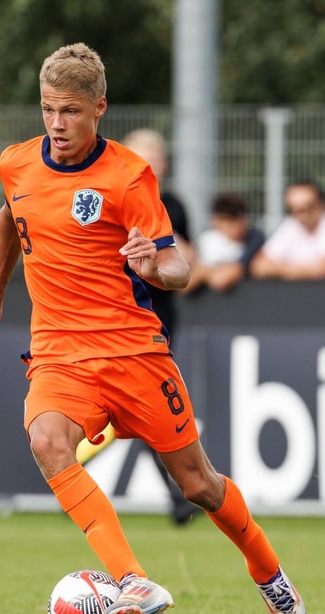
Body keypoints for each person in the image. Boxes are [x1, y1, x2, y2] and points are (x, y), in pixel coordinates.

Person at [0, 42, 307, 614]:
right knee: (46, 439)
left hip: (133, 352)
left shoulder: (129, 175)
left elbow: (179, 268)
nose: (57, 124)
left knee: (198, 485)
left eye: (70, 111)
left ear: (99, 108)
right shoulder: (16, 164)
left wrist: (152, 267)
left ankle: (269, 574)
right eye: (48, 109)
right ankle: (134, 580)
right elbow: (10, 216)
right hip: (60, 352)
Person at [116, 128, 200, 526]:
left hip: (156, 319)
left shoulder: (172, 206)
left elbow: (188, 260)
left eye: (151, 162)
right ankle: (182, 495)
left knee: (146, 406)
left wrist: (167, 253)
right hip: (114, 315)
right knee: (136, 407)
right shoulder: (110, 197)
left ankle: (185, 492)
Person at [250, 180, 325, 280]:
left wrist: (281, 269)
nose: (302, 214)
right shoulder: (290, 226)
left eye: (308, 207)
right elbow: (259, 267)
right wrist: (303, 270)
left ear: (322, 204)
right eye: (295, 209)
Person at [189, 191, 266, 292]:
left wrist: (203, 272)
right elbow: (186, 284)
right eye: (226, 222)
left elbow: (221, 279)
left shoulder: (254, 238)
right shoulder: (208, 240)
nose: (232, 228)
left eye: (234, 222)